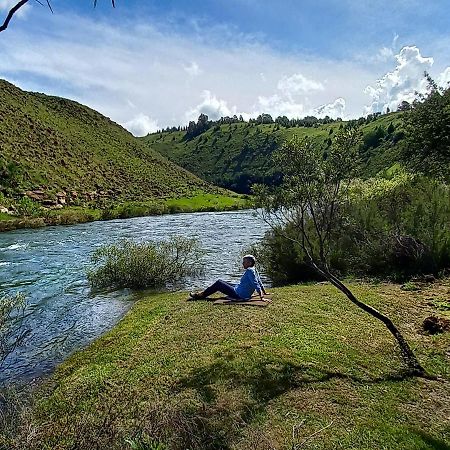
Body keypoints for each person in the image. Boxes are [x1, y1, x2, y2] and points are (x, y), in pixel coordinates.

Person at [189, 254, 269, 301]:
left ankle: (201, 295)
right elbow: (259, 281)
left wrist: (262, 297)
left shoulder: (250, 271)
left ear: (249, 262)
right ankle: (202, 293)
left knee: (219, 283)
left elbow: (256, 284)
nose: (242, 264)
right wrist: (264, 292)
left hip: (240, 295)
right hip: (241, 290)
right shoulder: (254, 269)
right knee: (224, 282)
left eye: (244, 262)